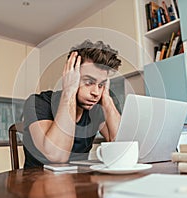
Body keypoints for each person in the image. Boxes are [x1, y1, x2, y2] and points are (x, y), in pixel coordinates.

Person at [22, 40, 122, 168]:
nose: (96, 92)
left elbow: (121, 146)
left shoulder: (95, 110)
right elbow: (57, 156)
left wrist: (107, 99)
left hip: (79, 183)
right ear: (71, 75)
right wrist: (69, 91)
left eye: (101, 84)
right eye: (88, 82)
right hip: (36, 183)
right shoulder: (38, 102)